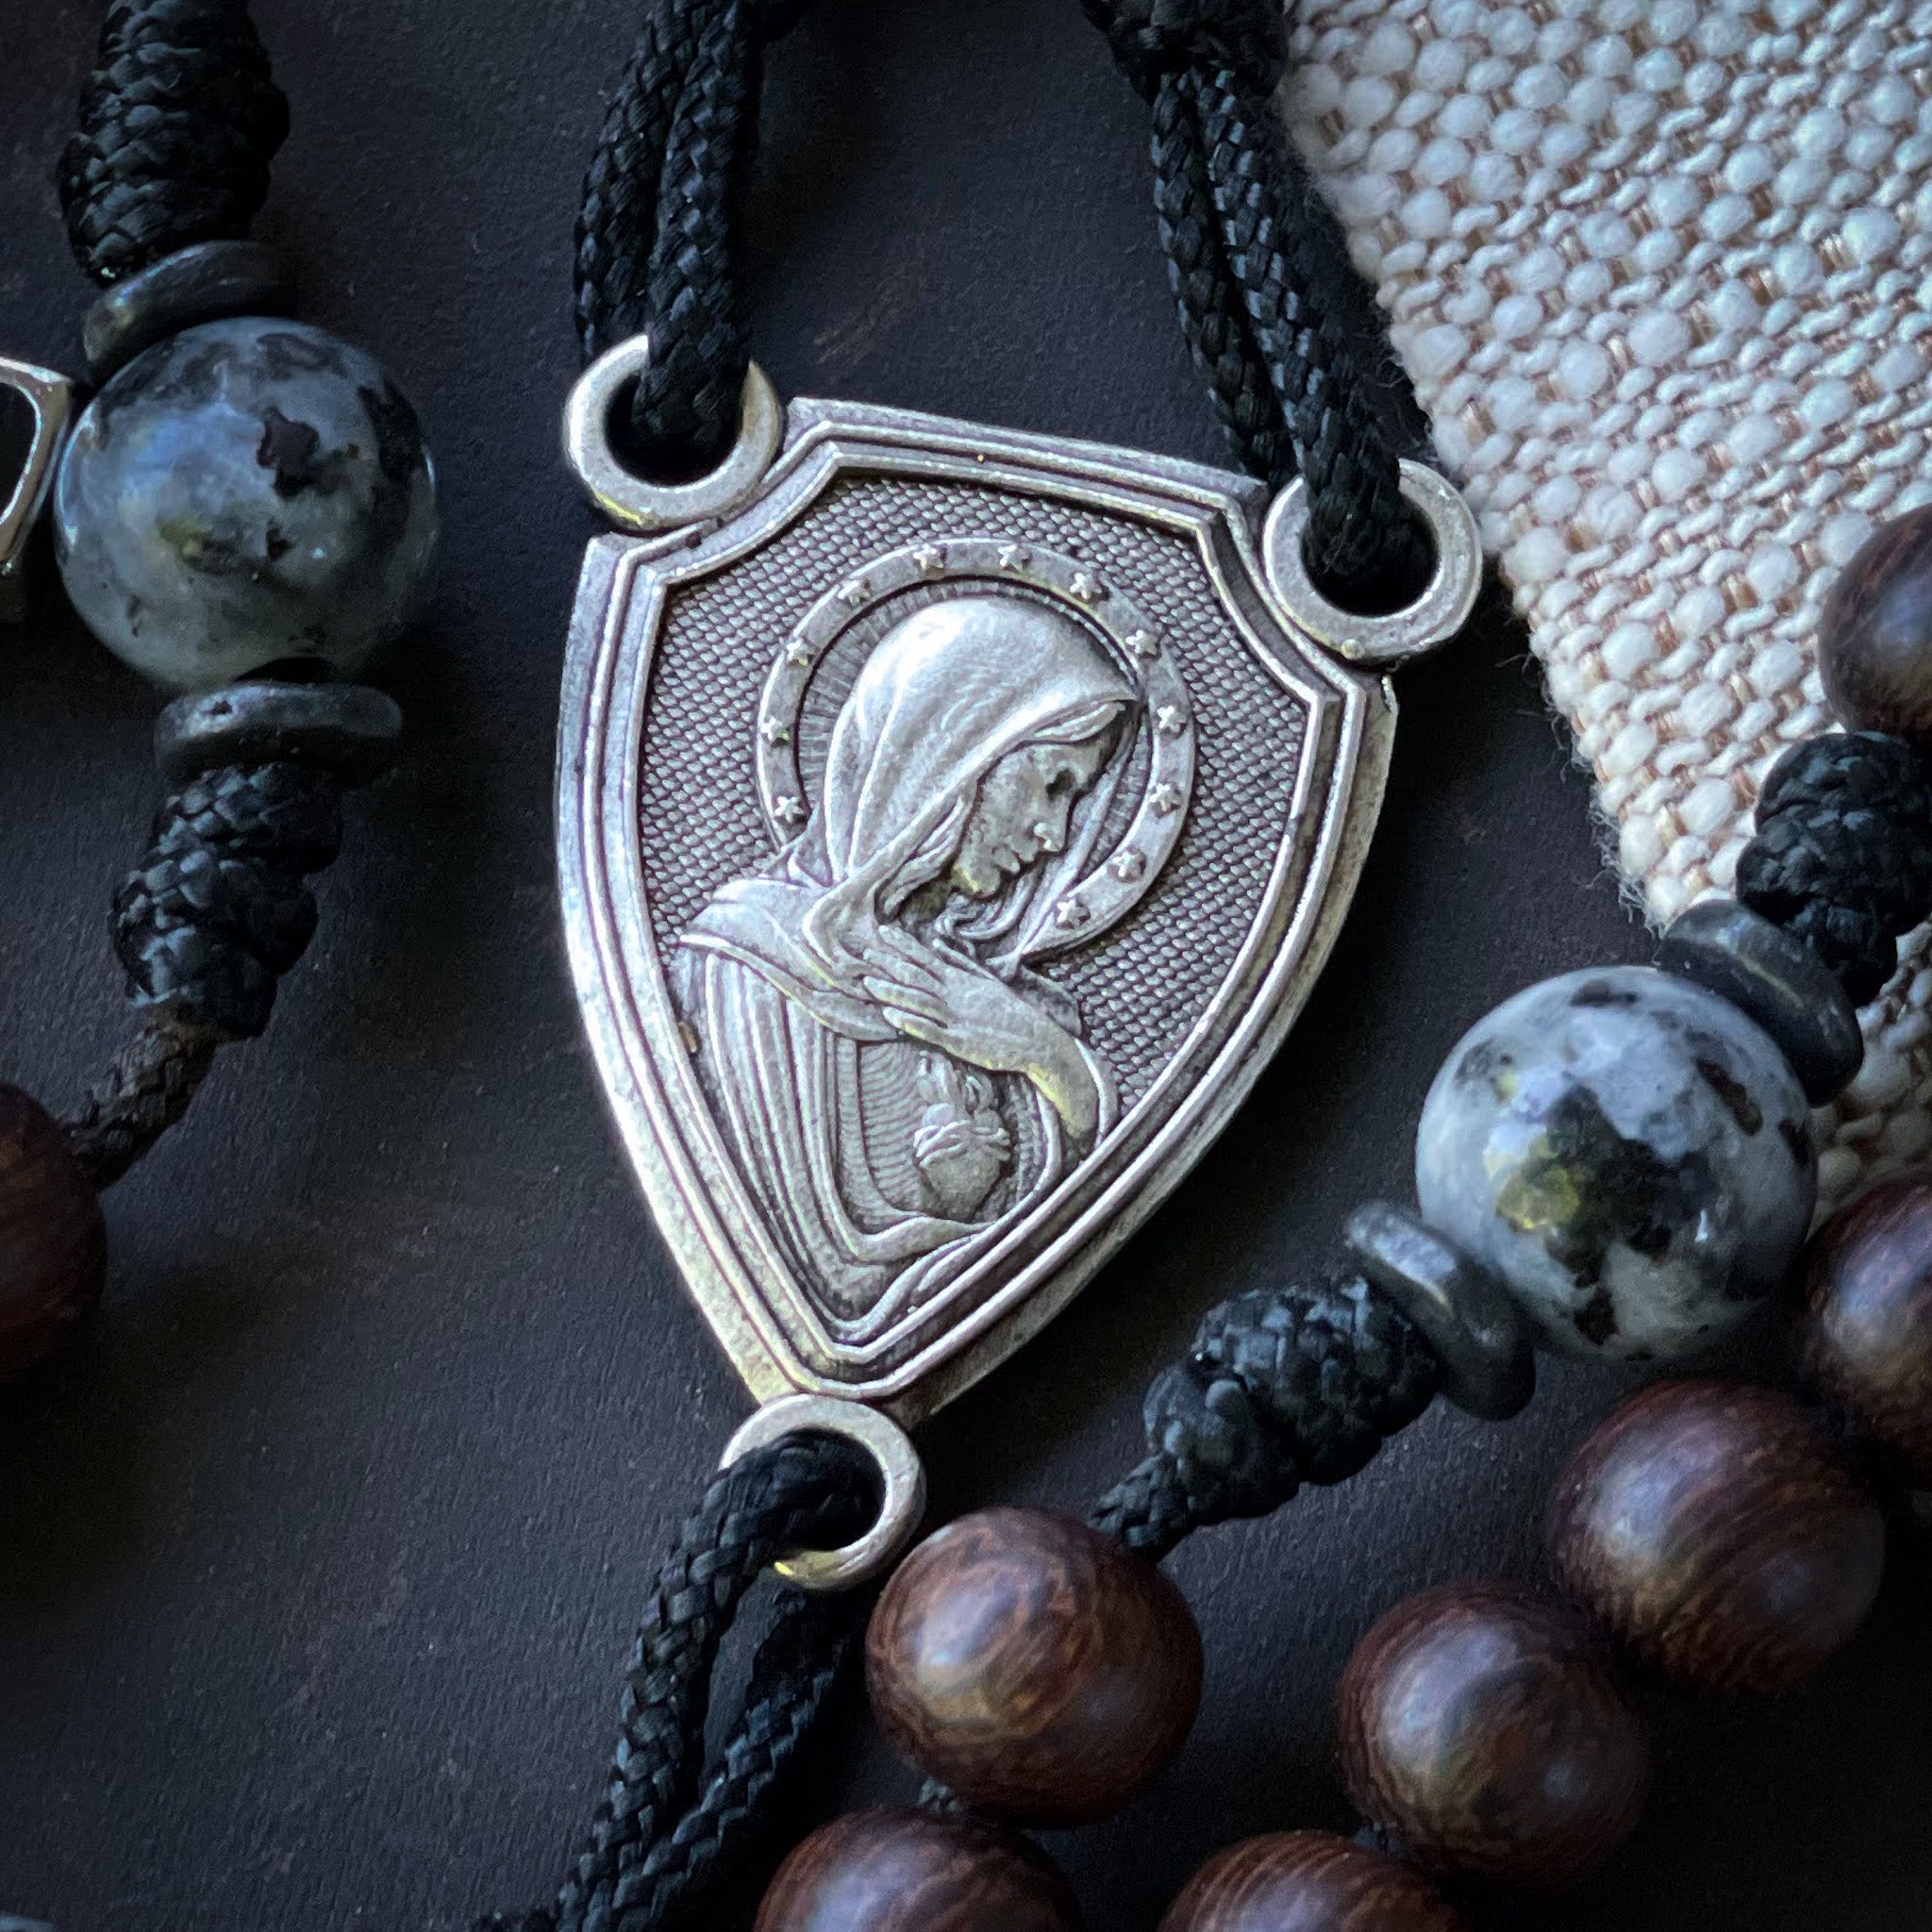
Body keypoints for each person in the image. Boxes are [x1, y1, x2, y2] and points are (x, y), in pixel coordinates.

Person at [676, 592, 1138, 1336]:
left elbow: (1087, 1191)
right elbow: (826, 1278)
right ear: (951, 753)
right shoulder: (743, 960)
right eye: (1051, 784)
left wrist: (1041, 1053)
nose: (1055, 834)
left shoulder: (997, 996)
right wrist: (960, 1209)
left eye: (1075, 801)